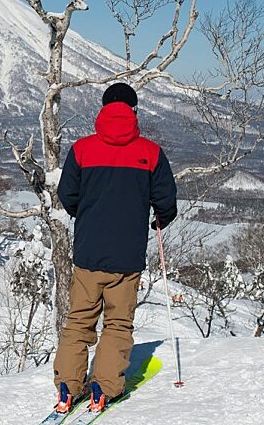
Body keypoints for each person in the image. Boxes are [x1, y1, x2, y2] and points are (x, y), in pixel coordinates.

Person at [52, 82, 178, 414]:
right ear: (134, 111)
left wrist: (88, 214)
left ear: (103, 109)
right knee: (118, 323)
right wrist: (158, 219)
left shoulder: (82, 150)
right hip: (127, 256)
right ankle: (104, 388)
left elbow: (68, 196)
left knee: (79, 321)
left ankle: (68, 387)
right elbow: (166, 202)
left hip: (88, 253)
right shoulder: (150, 153)